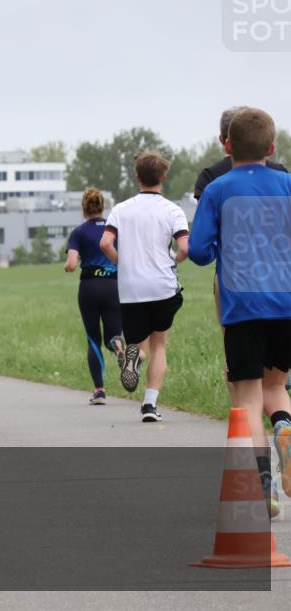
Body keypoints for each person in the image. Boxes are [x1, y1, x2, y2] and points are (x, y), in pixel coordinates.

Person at [188, 107, 291, 516]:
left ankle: (264, 484)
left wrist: (220, 248)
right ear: (272, 147)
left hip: (242, 304)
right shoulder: (287, 185)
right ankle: (284, 426)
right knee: (276, 386)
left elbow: (196, 251)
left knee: (247, 397)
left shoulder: (218, 190)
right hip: (286, 301)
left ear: (227, 146)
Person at [99, 152, 188, 422]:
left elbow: (104, 243)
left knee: (139, 342)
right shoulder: (173, 210)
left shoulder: (121, 209)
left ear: (137, 176)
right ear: (163, 177)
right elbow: (184, 247)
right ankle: (149, 405)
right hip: (162, 286)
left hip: (132, 289)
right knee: (160, 344)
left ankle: (133, 357)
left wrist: (122, 262)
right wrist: (173, 260)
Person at [64, 188, 125, 405]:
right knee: (113, 334)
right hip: (113, 285)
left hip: (89, 287)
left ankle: (99, 391)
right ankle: (118, 347)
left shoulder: (79, 232)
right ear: (103, 206)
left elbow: (71, 265)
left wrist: (67, 266)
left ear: (84, 208)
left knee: (93, 339)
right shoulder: (114, 229)